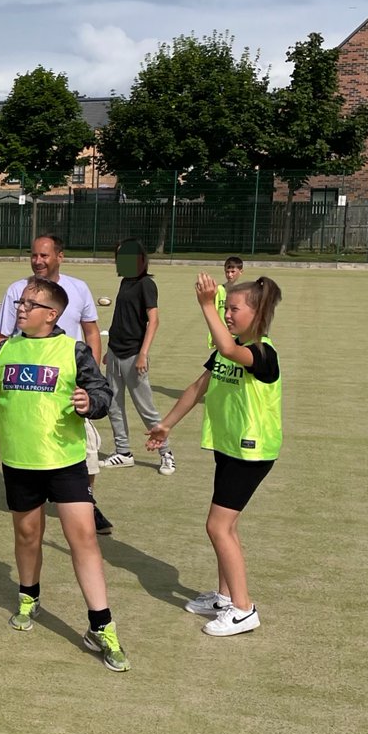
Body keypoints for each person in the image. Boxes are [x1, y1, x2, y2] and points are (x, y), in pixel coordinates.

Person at [0, 276, 130, 672]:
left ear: (52, 314)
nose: (21, 308)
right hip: (19, 462)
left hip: (64, 461)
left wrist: (88, 402)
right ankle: (29, 596)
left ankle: (103, 626)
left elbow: (102, 394)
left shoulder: (73, 350)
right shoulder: (6, 348)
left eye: (30, 303)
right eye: (20, 302)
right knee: (28, 535)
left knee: (82, 539)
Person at [146, 273, 283, 638]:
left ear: (257, 312)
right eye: (224, 308)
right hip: (229, 447)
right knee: (227, 526)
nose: (227, 314)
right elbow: (197, 387)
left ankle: (243, 609)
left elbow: (229, 351)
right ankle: (226, 597)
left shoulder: (262, 353)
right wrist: (167, 425)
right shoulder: (230, 347)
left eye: (233, 309)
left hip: (251, 451)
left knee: (217, 526)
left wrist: (206, 304)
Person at [0, 235, 112, 534]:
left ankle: (87, 504)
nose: (37, 261)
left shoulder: (78, 288)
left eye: (44, 255)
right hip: (31, 387)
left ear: (60, 256)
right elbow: (2, 338)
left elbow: (92, 332)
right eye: (33, 255)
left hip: (70, 389)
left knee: (88, 454)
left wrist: (90, 378)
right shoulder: (17, 291)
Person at [101, 238, 175, 476]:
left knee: (146, 408)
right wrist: (109, 349)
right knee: (113, 404)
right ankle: (123, 452)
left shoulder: (146, 284)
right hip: (114, 352)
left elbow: (153, 320)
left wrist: (143, 354)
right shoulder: (125, 282)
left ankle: (166, 453)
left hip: (134, 355)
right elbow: (121, 317)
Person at [209, 257, 245, 346]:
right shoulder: (218, 290)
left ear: (241, 271)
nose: (229, 275)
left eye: (233, 272)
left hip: (238, 336)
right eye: (227, 272)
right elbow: (213, 313)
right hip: (221, 336)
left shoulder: (245, 292)